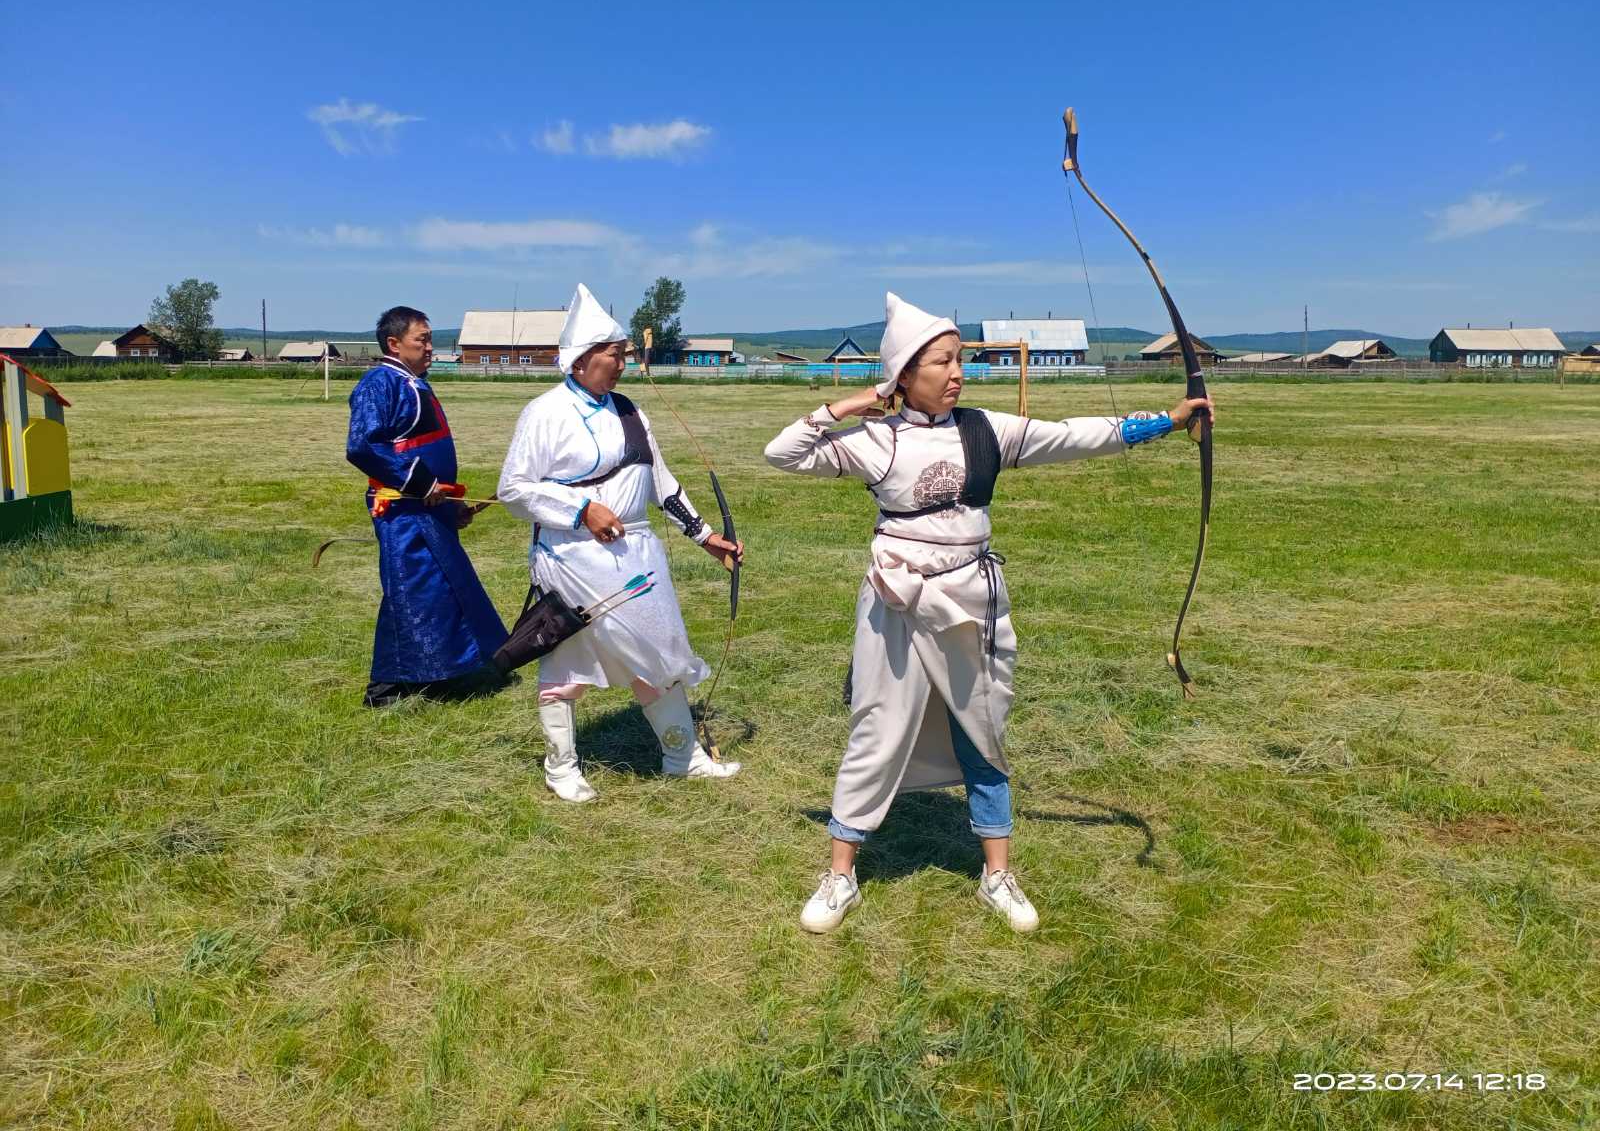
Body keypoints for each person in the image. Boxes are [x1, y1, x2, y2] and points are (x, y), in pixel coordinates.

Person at [764, 292, 1214, 933]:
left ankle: (996, 874)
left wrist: (1165, 422)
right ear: (904, 375)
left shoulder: (985, 429)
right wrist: (847, 405)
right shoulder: (875, 440)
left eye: (959, 361)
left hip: (972, 601)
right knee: (877, 726)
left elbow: (1070, 437)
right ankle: (841, 876)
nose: (956, 374)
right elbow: (782, 452)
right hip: (898, 606)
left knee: (984, 727)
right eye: (941, 363)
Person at [497, 283, 745, 801]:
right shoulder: (545, 412)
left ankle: (683, 757)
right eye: (616, 354)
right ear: (583, 358)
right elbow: (514, 489)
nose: (624, 364)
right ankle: (561, 768)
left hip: (637, 552)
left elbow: (660, 482)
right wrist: (582, 510)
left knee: (659, 652)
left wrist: (705, 537)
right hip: (571, 557)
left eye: (624, 354)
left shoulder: (630, 409)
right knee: (568, 660)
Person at [345, 306, 508, 707]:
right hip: (402, 509)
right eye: (423, 340)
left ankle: (437, 672)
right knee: (410, 588)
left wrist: (450, 506)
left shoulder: (412, 382)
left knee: (440, 587)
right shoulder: (379, 383)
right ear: (394, 343)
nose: (431, 347)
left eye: (430, 339)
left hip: (429, 506)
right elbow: (363, 445)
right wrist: (422, 483)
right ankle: (385, 686)